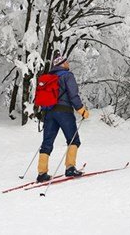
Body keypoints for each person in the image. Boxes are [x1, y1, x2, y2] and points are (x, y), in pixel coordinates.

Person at [36, 53, 90, 183]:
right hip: (64, 112)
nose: (68, 64)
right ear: (62, 64)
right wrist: (81, 110)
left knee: (47, 143)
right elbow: (73, 95)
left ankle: (42, 173)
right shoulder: (67, 76)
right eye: (66, 62)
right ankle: (70, 168)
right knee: (73, 140)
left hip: (49, 113)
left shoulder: (48, 77)